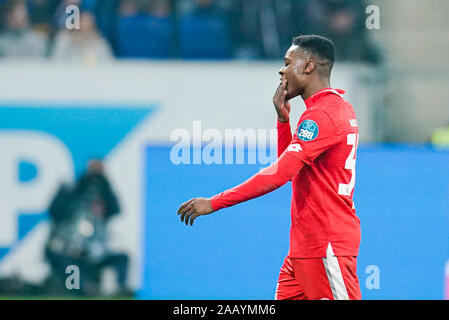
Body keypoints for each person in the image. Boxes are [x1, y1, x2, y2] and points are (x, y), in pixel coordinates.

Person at [177, 35, 361, 300]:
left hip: (326, 246)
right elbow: (291, 171)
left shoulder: (323, 115)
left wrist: (215, 202)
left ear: (309, 66)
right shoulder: (331, 109)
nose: (281, 70)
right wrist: (283, 121)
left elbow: (279, 174)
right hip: (304, 248)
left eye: (288, 62)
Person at [45, 159, 131, 297]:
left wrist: (105, 183)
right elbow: (55, 211)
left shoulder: (104, 192)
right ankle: (77, 289)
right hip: (69, 250)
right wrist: (82, 182)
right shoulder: (73, 190)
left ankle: (121, 288)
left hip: (94, 250)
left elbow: (115, 209)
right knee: (75, 280)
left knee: (122, 258)